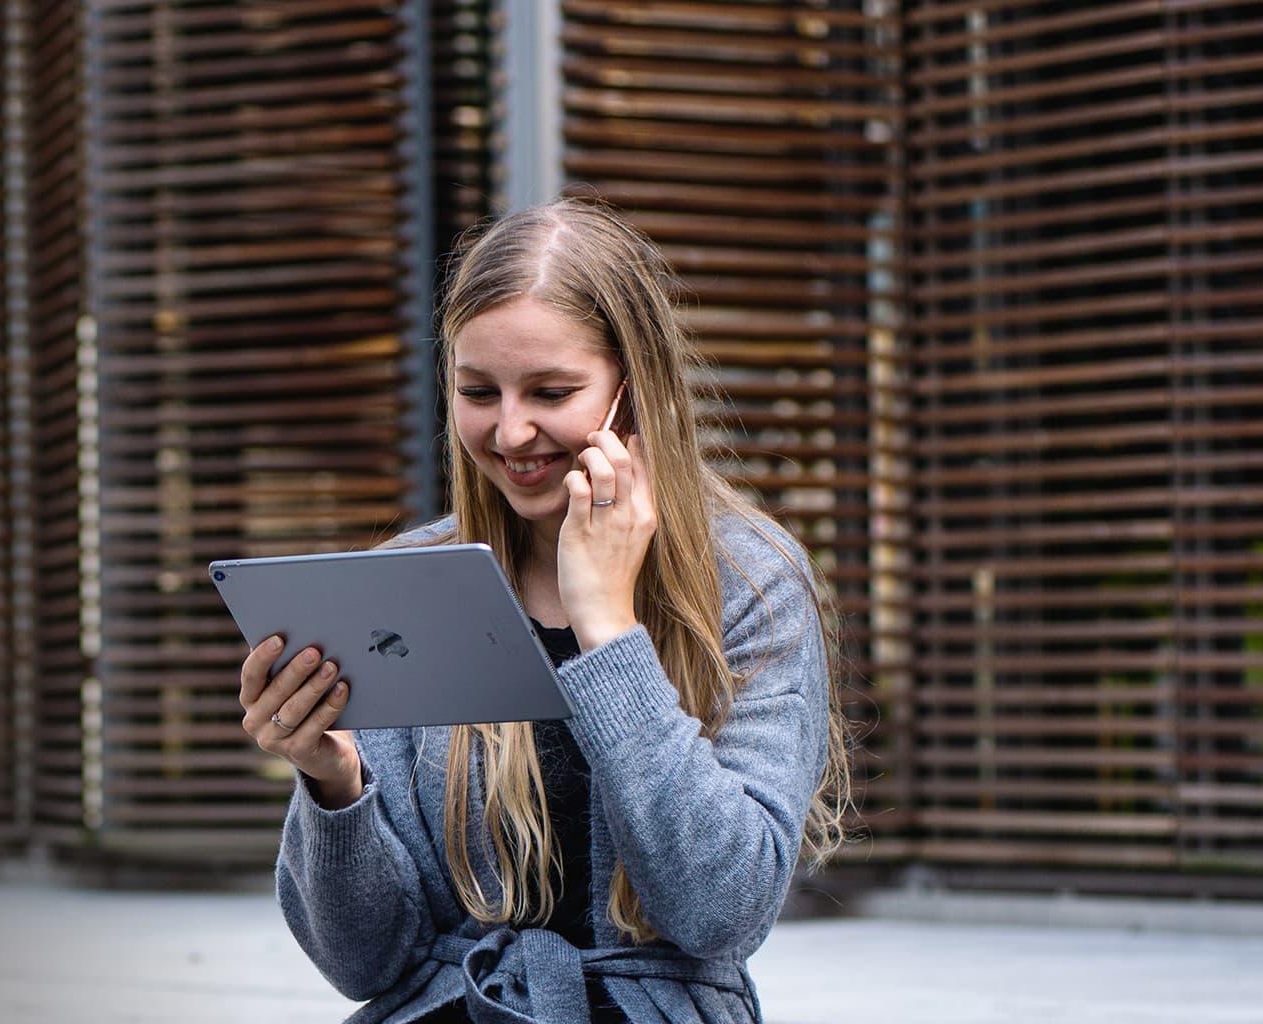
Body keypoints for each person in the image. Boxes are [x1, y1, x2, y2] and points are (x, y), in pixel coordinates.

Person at [236, 196, 853, 1024]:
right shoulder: (409, 583)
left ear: (634, 392)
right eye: (478, 392)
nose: (512, 431)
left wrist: (607, 630)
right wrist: (333, 784)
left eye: (552, 391)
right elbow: (364, 963)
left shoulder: (752, 584)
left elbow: (722, 910)